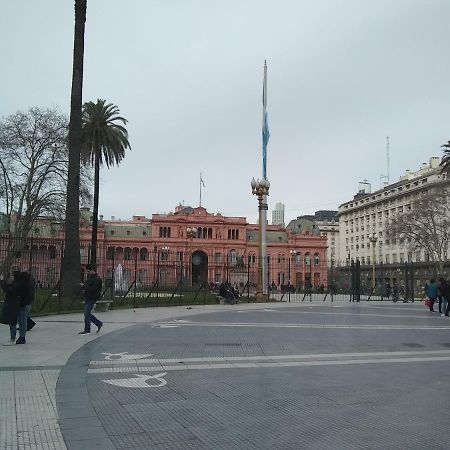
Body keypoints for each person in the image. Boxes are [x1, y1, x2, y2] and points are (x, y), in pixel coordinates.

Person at [79, 265, 103, 334]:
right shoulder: (90, 278)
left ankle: (87, 329)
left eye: (89, 271)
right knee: (87, 313)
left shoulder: (97, 279)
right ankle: (98, 323)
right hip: (88, 297)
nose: (87, 272)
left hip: (92, 298)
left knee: (86, 313)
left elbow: (93, 289)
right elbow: (88, 287)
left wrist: (84, 286)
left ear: (93, 270)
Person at [0, 272, 21, 343]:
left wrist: (2, 280)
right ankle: (12, 337)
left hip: (13, 305)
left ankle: (13, 338)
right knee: (11, 322)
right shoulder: (15, 283)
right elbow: (7, 287)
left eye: (12, 275)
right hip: (12, 304)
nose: (11, 277)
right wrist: (3, 281)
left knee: (12, 322)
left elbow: (7, 289)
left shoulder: (16, 284)